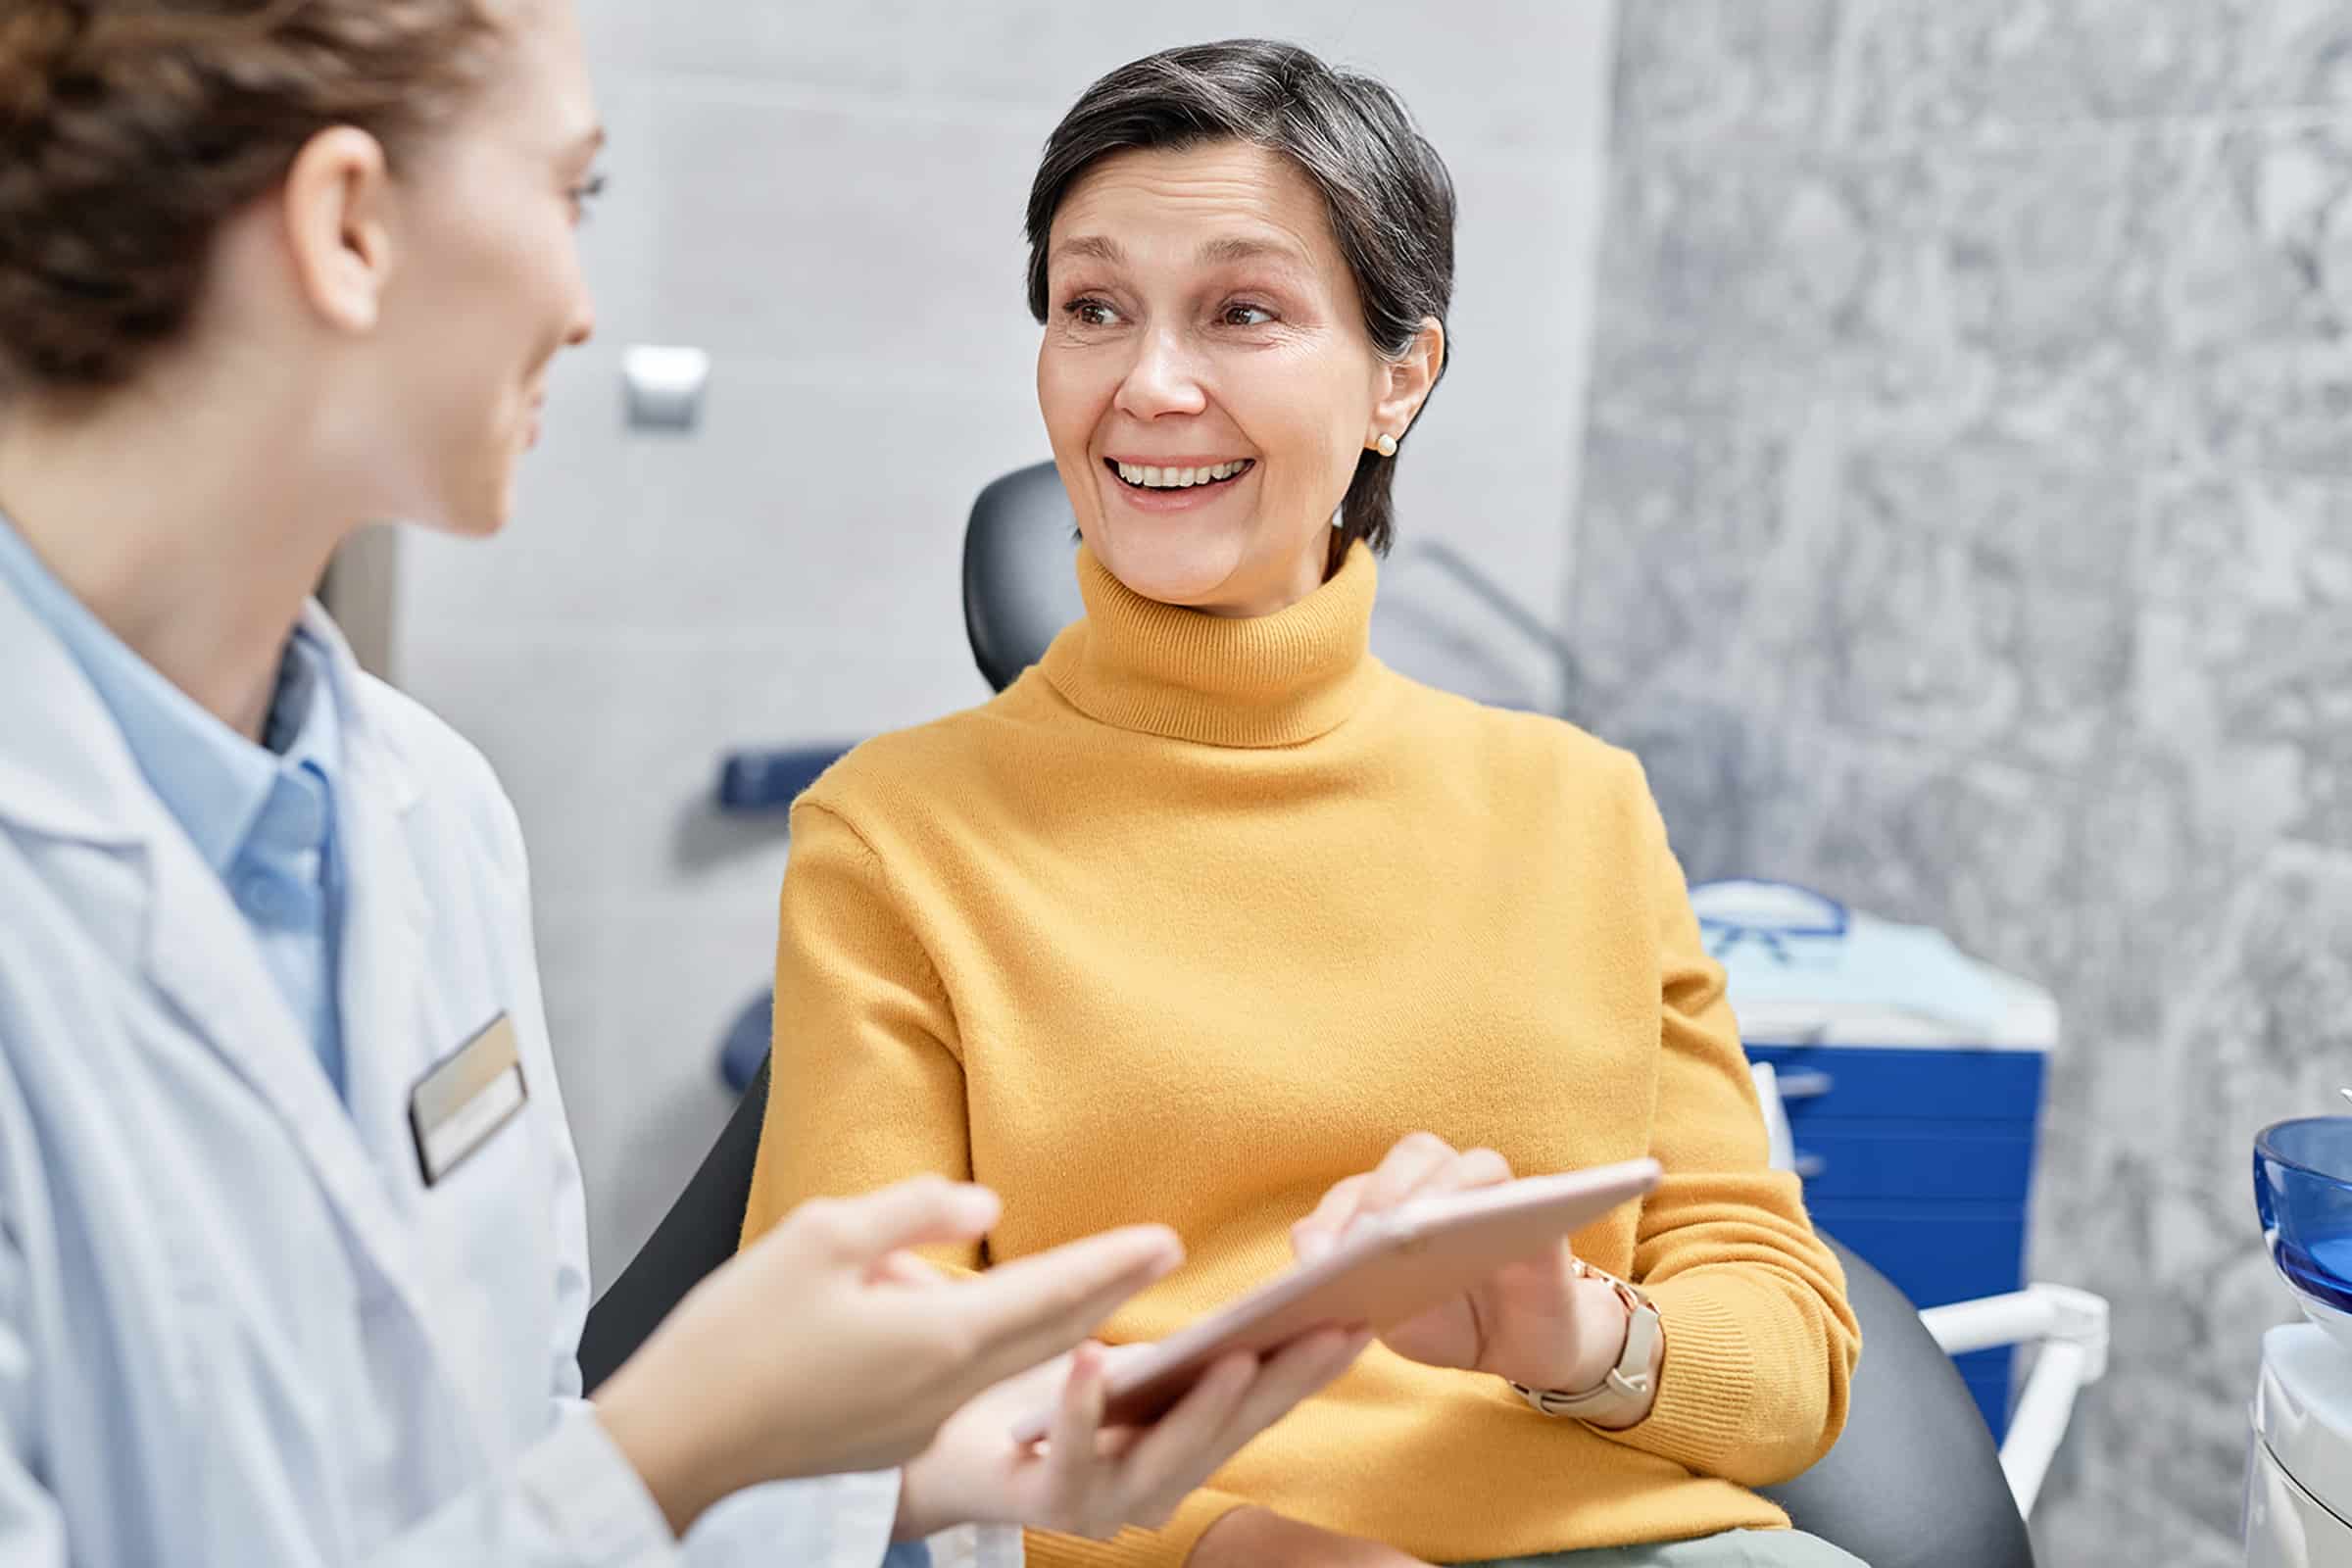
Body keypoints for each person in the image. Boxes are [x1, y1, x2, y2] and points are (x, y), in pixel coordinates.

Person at [0, 5, 1366, 1565]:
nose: (584, 308)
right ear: (349, 226)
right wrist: (680, 1444)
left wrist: (901, 1482)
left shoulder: (428, 814)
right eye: (570, 196)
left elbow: (501, 1471)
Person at [741, 37, 1865, 1568]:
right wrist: (1222, 1542)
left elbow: (1791, 1350)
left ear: (1403, 377)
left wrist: (1580, 1335)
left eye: (1242, 310)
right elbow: (851, 1410)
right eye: (1094, 309)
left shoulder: (1577, 808)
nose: (1148, 385)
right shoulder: (899, 838)